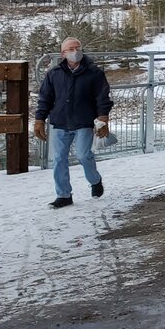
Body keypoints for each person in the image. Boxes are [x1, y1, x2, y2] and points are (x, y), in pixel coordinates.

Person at [34, 37, 113, 209]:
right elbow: (45, 98)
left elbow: (102, 97)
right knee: (59, 158)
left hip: (83, 120)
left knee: (84, 155)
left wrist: (103, 118)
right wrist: (39, 119)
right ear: (63, 53)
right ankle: (63, 195)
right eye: (71, 49)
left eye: (78, 47)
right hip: (60, 121)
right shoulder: (54, 74)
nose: (75, 51)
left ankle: (95, 180)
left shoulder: (94, 73)